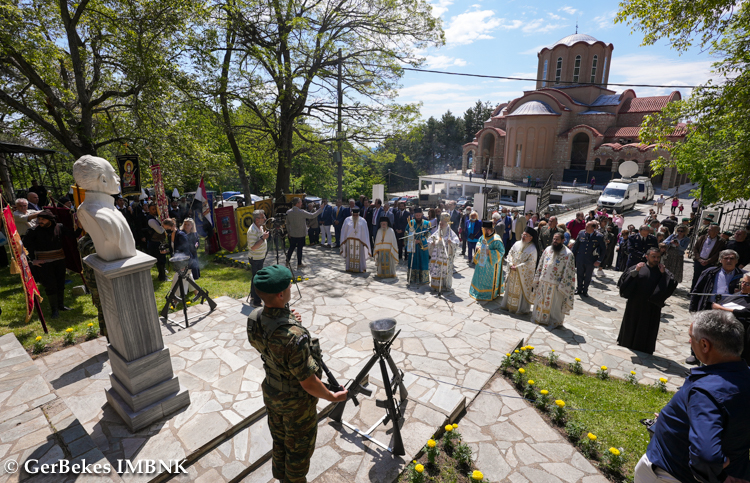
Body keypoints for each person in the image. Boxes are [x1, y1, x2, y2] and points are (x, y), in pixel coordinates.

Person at [246, 265, 347, 483]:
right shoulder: (294, 336)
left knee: (280, 441)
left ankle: (281, 477)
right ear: (281, 294)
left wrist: (287, 317)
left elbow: (270, 336)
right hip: (296, 405)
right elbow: (309, 383)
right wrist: (332, 397)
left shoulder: (253, 318)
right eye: (289, 286)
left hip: (272, 394)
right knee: (298, 452)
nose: (292, 288)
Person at [634, 310, 750, 483]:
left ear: (705, 345)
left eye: (691, 337)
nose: (689, 341)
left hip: (669, 473)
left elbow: (706, 456)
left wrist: (720, 476)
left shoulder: (706, 391)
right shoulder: (744, 376)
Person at [616, 248, 677, 354]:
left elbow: (671, 284)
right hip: (635, 303)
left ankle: (644, 347)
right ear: (647, 256)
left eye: (658, 257)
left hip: (651, 306)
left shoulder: (663, 271)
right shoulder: (638, 267)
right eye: (653, 256)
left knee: (647, 328)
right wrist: (636, 271)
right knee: (631, 324)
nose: (656, 259)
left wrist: (664, 275)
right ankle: (625, 343)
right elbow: (624, 282)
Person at [24, 210, 81, 318]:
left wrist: (81, 226)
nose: (40, 221)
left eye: (43, 219)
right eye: (39, 219)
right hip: (44, 263)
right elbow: (23, 247)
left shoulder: (59, 227)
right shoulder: (33, 231)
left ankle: (61, 305)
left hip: (59, 260)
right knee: (50, 286)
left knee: (60, 283)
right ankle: (54, 309)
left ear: (50, 220)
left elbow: (73, 235)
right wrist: (32, 261)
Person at [531, 232, 576, 328]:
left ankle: (554, 322)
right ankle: (539, 319)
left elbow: (569, 272)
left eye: (557, 239)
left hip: (557, 285)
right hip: (543, 282)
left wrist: (563, 285)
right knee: (541, 302)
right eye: (554, 239)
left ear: (563, 240)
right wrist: (537, 278)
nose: (555, 241)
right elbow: (541, 264)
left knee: (554, 306)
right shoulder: (547, 249)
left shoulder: (568, 254)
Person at [712, 272, 750, 364]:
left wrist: (721, 308)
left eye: (747, 284)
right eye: (743, 282)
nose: (743, 285)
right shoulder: (739, 294)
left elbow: (745, 312)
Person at [500, 227, 538, 313]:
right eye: (523, 234)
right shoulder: (517, 244)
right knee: (510, 289)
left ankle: (519, 309)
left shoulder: (533, 249)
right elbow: (510, 253)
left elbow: (531, 262)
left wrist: (518, 267)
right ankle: (508, 305)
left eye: (525, 235)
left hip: (521, 275)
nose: (523, 237)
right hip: (513, 272)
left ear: (531, 237)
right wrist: (510, 264)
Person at [468, 220, 505, 301]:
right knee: (479, 278)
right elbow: (479, 241)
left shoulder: (497, 239)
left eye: (484, 230)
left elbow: (502, 252)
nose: (483, 231)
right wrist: (478, 247)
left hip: (490, 266)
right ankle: (478, 292)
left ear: (488, 230)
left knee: (486, 280)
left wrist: (490, 252)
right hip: (481, 263)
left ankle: (487, 293)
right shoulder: (484, 236)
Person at [285, 197, 323, 268]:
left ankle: (287, 261)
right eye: (300, 202)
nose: (301, 203)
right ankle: (299, 264)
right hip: (301, 234)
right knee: (299, 249)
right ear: (297, 203)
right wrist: (320, 209)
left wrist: (289, 232)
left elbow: (287, 223)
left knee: (291, 248)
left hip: (292, 233)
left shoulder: (288, 212)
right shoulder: (301, 212)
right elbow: (312, 216)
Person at [572, 221, 606, 297]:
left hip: (591, 260)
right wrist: (572, 255)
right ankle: (579, 288)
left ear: (593, 228)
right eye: (586, 226)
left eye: (588, 226)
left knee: (588, 275)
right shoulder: (581, 233)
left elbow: (603, 250)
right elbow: (576, 245)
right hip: (580, 258)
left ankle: (585, 290)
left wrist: (599, 260)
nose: (585, 228)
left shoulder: (599, 236)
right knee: (579, 274)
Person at [428, 212, 460, 292]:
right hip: (437, 256)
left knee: (444, 270)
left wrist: (451, 243)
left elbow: (456, 242)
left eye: (443, 224)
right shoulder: (438, 231)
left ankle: (444, 286)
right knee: (436, 269)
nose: (441, 226)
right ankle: (435, 286)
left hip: (445, 256)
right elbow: (430, 239)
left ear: (447, 224)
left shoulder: (450, 233)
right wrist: (432, 243)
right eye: (440, 224)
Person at [691, 224, 726, 292]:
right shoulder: (702, 237)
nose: (708, 231)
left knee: (706, 278)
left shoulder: (721, 241)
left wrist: (708, 261)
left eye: (710, 230)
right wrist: (699, 259)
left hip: (709, 263)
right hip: (699, 261)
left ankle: (702, 292)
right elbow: (695, 248)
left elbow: (718, 253)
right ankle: (693, 292)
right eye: (708, 229)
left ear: (716, 232)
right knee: (696, 277)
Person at [246, 210, 269, 307]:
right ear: (256, 219)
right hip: (255, 258)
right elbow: (253, 247)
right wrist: (263, 238)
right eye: (263, 217)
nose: (265, 219)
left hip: (260, 257)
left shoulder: (260, 227)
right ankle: (256, 301)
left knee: (255, 277)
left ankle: (253, 296)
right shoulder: (252, 231)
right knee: (258, 279)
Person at [340, 207, 371, 273]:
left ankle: (361, 268)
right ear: (352, 214)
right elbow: (344, 231)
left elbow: (365, 233)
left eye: (357, 215)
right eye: (354, 215)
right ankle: (349, 267)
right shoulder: (347, 220)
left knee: (360, 255)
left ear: (359, 214)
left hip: (360, 242)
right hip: (349, 241)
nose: (355, 216)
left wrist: (364, 241)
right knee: (349, 254)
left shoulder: (363, 221)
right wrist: (344, 239)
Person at [406, 207, 430, 284]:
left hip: (423, 247)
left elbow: (429, 235)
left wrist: (420, 240)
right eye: (417, 215)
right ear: (414, 215)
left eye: (420, 215)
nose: (418, 217)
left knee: (423, 261)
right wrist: (412, 240)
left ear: (422, 215)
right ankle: (412, 278)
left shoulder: (427, 223)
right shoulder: (411, 223)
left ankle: (423, 279)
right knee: (413, 262)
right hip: (413, 246)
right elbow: (406, 233)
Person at [145, 202, 168, 281]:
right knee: (160, 260)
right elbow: (160, 231)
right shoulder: (151, 220)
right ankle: (162, 277)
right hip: (155, 243)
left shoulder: (156, 217)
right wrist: (166, 225)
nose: (155, 210)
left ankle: (163, 275)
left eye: (156, 209)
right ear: (149, 210)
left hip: (159, 242)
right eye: (153, 209)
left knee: (163, 259)